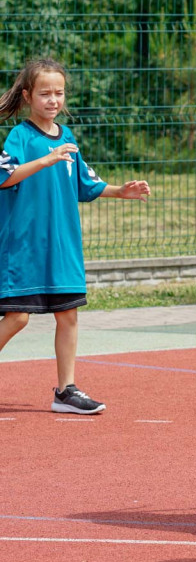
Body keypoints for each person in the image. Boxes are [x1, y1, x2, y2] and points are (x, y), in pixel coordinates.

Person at [0, 58, 151, 415]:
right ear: (27, 95)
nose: (53, 100)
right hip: (26, 246)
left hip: (63, 245)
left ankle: (65, 390)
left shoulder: (67, 137)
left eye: (59, 93)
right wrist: (45, 160)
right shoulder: (20, 136)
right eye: (45, 93)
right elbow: (4, 177)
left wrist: (120, 191)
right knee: (18, 317)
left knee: (68, 315)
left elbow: (85, 183)